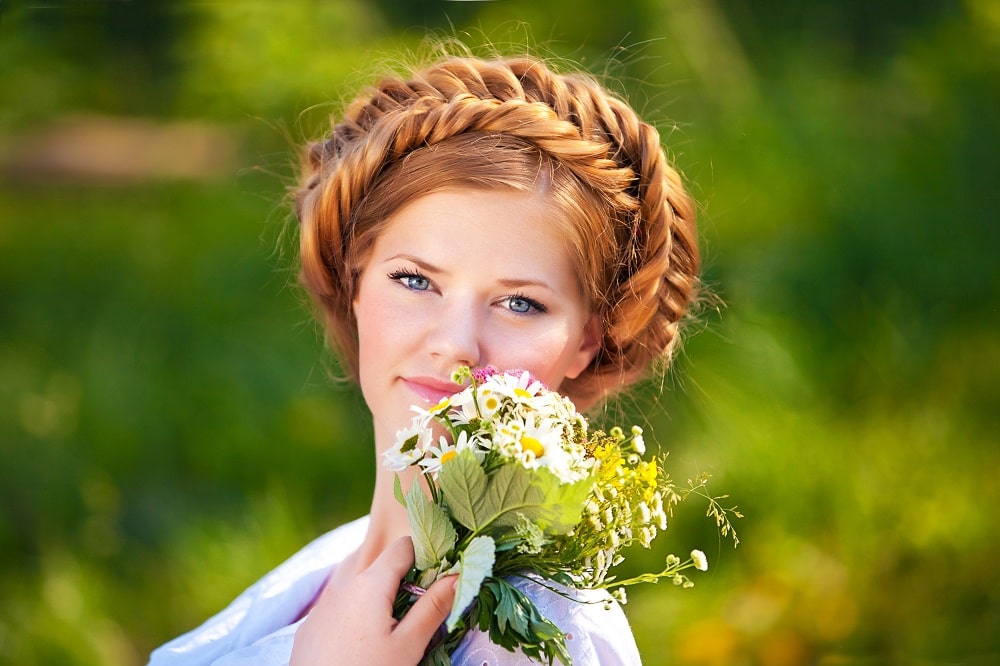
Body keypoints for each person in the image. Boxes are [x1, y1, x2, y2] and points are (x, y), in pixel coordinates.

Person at [149, 50, 699, 665]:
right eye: (415, 281)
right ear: (355, 280)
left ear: (586, 342)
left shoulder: (537, 635)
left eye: (519, 303)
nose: (456, 343)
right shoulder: (329, 563)